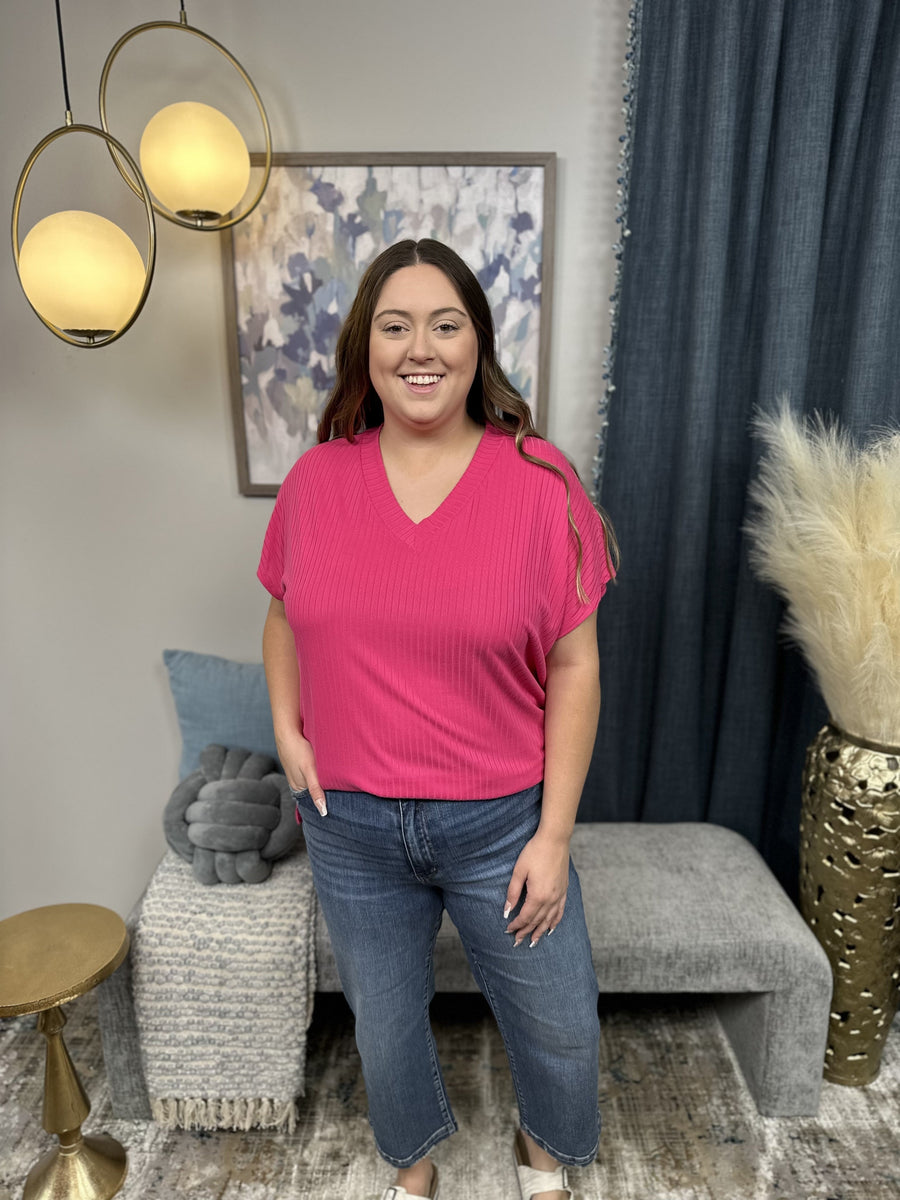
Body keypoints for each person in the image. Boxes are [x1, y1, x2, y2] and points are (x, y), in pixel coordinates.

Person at [258, 238, 618, 1200]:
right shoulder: (316, 482)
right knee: (383, 1025)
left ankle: (544, 1160)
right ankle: (411, 1171)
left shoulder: (541, 484)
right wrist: (289, 734)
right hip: (349, 827)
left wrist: (553, 834)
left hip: (500, 823)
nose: (421, 347)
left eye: (445, 324)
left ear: (477, 344)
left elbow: (576, 665)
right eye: (396, 326)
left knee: (560, 1023)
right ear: (366, 349)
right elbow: (283, 616)